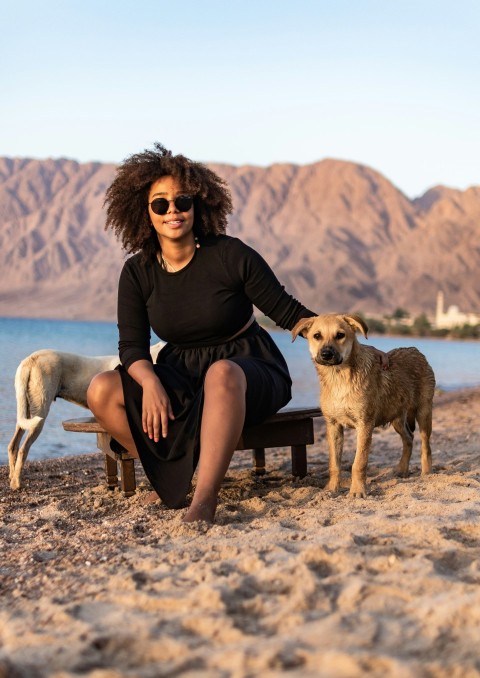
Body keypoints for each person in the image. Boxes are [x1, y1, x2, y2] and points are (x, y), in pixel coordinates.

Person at [87, 143, 384, 524]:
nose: (173, 210)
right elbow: (131, 346)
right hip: (181, 373)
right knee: (102, 389)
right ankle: (171, 476)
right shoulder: (136, 272)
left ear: (198, 204)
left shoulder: (231, 255)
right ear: (145, 212)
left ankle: (204, 499)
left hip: (247, 369)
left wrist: (359, 348)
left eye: (182, 201)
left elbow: (291, 313)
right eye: (160, 204)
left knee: (222, 372)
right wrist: (151, 384)